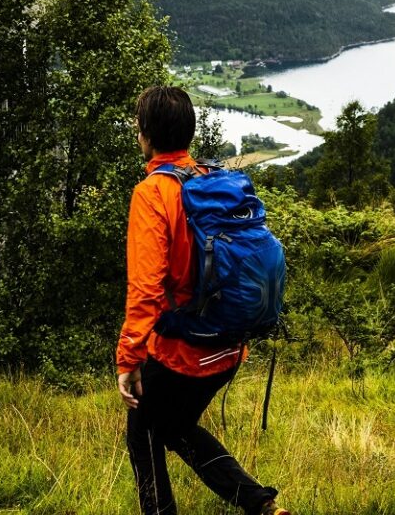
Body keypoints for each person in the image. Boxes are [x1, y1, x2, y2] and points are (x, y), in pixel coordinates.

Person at [119, 85, 289, 515]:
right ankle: (262, 506)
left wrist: (128, 360)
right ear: (189, 132)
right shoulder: (217, 180)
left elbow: (146, 290)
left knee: (143, 434)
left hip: (185, 352)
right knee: (174, 429)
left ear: (146, 134)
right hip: (231, 345)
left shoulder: (153, 194)